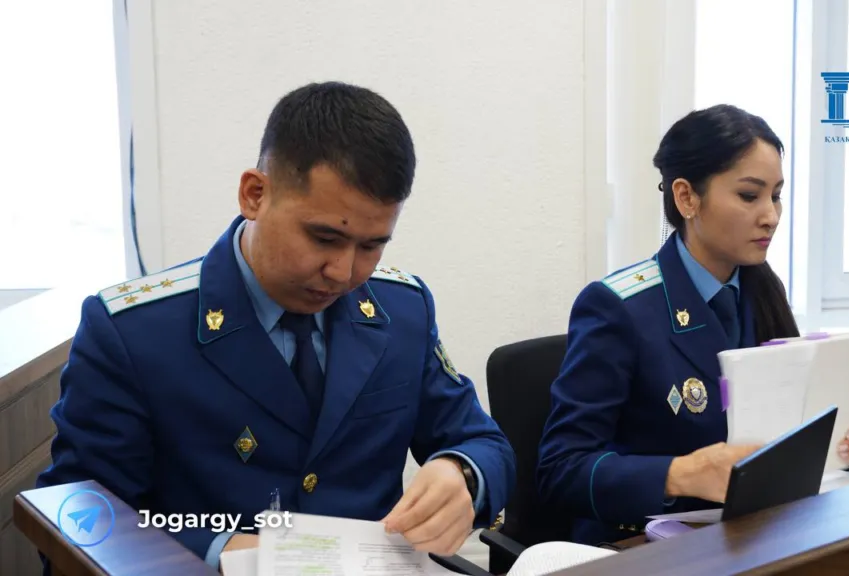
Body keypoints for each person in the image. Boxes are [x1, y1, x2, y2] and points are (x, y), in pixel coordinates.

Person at [36, 81, 515, 569]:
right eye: (324, 238)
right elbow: (79, 520)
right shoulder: (133, 332)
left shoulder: (402, 309)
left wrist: (462, 474)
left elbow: (485, 444)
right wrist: (218, 550)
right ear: (255, 194)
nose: (343, 273)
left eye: (372, 246)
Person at [536, 104, 849, 546]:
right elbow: (560, 470)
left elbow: (788, 433)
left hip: (754, 536)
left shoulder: (763, 289)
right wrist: (682, 473)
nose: (771, 215)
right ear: (687, 198)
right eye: (749, 195)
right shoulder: (618, 307)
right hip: (647, 547)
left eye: (776, 195)